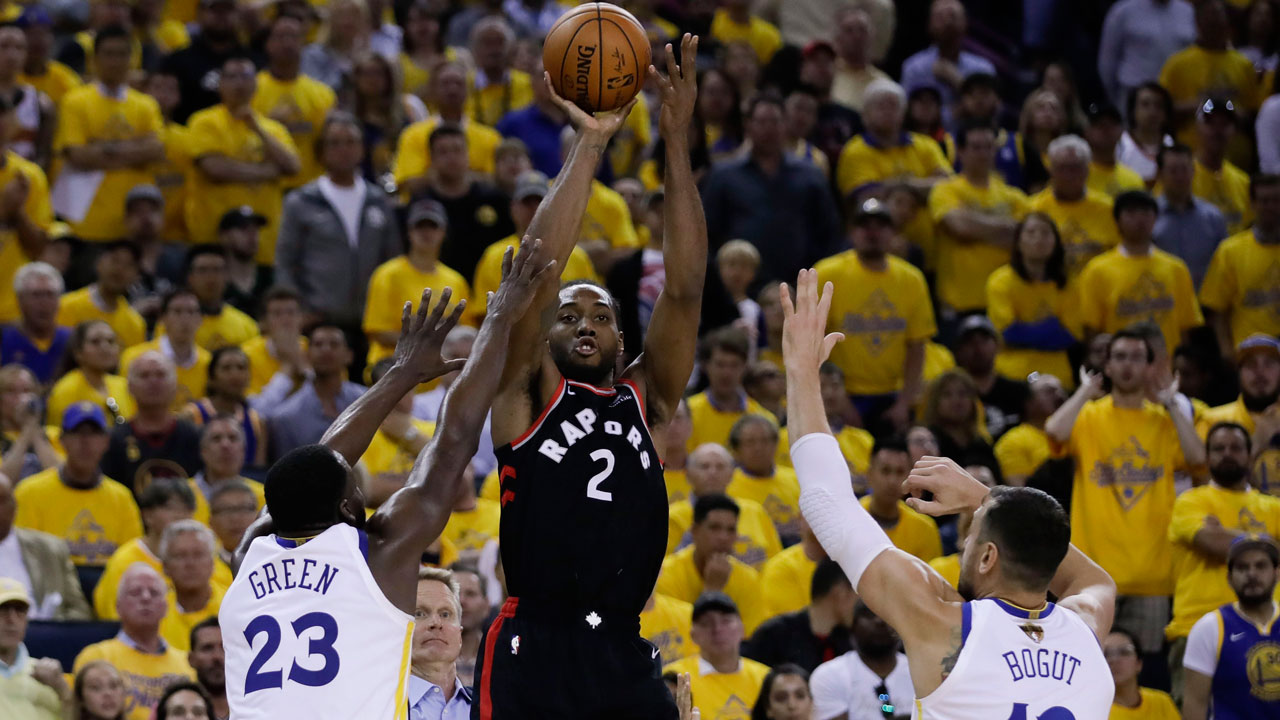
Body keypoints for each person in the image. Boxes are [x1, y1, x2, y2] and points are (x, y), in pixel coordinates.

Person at [220, 235, 551, 718]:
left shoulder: (248, 555)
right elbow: (453, 440)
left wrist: (399, 375)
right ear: (348, 509)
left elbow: (312, 465)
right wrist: (498, 320)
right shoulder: (376, 556)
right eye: (358, 488)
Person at [471, 38, 702, 719]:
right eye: (569, 314)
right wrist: (592, 144)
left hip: (623, 650)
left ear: (621, 339)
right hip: (534, 644)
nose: (583, 322)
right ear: (544, 335)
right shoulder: (524, 395)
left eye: (599, 314)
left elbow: (686, 290)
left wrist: (678, 141)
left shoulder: (648, 400)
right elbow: (540, 265)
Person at [781, 267, 1116, 718]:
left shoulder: (942, 624)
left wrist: (802, 372)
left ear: (987, 557)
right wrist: (986, 500)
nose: (963, 543)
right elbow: (1092, 578)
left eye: (971, 533)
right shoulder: (1087, 628)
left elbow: (826, 502)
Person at [1044, 329, 1204, 667]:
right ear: (1108, 366)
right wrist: (1085, 392)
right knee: (1085, 668)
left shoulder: (1163, 420)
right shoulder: (1088, 415)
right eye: (1119, 357)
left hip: (1152, 577)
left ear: (1149, 366)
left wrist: (1172, 402)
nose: (1127, 365)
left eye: (1136, 357)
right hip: (1093, 575)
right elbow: (1055, 432)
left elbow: (1197, 458)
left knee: (1142, 674)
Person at [1165, 421, 1280, 695]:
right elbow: (1212, 543)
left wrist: (1224, 532)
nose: (1227, 453)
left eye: (1236, 447)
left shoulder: (1274, 506)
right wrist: (1268, 541)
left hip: (1267, 630)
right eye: (1219, 448)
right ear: (1207, 457)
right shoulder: (1190, 501)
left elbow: (1223, 542)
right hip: (1195, 626)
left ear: (1250, 454)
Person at [274, 112, 403, 353]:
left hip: (372, 324)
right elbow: (285, 262)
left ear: (362, 149)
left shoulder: (379, 201)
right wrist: (298, 311)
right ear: (321, 151)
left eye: (351, 142)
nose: (343, 149)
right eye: (334, 143)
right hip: (319, 321)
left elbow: (393, 260)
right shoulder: (301, 201)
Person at [815, 199, 933, 434]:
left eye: (880, 226)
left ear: (893, 232)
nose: (872, 233)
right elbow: (813, 343)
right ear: (851, 231)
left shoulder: (911, 279)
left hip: (893, 395)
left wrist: (904, 402)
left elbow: (917, 346)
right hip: (842, 394)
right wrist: (838, 400)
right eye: (865, 225)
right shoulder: (827, 274)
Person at [54, 26, 164, 245]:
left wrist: (103, 147)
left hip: (135, 225)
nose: (116, 61)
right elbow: (78, 155)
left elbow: (157, 150)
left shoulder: (145, 105)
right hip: (87, 222)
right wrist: (136, 148)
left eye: (123, 54)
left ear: (132, 58)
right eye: (109, 54)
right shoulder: (75, 101)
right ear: (95, 58)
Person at [185, 55, 300, 263]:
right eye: (232, 77)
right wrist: (267, 172)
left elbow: (292, 166)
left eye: (246, 77)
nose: (239, 83)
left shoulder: (272, 128)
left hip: (266, 244)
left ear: (256, 84)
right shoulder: (204, 121)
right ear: (220, 84)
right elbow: (214, 169)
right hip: (214, 238)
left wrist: (257, 128)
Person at [13, 403, 141, 566]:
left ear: (106, 441)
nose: (85, 442)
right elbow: (24, 559)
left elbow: (132, 561)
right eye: (77, 432)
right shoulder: (29, 492)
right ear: (62, 441)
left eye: (94, 433)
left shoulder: (121, 498)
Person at [1077, 191, 1203, 354]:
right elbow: (1092, 329)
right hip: (1121, 367)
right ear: (1117, 220)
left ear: (1156, 218)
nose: (1139, 219)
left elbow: (1186, 327)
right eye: (1131, 212)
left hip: (1166, 365)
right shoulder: (1097, 270)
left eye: (1145, 212)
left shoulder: (1176, 268)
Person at [929, 123, 1030, 319]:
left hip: (1003, 302)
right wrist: (1007, 227)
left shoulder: (1014, 196)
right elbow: (960, 227)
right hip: (958, 304)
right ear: (961, 151)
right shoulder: (945, 189)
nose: (983, 153)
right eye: (976, 147)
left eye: (988, 147)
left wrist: (974, 230)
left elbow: (1024, 238)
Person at [470, 171, 598, 323]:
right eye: (526, 202)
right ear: (513, 208)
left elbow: (592, 306)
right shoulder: (495, 256)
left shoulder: (576, 256)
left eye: (540, 201)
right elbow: (482, 316)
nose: (534, 208)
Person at [74, 564, 194, 720]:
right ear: (118, 607)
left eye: (154, 592)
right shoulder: (96, 655)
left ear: (165, 607)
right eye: (135, 592)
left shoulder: (188, 662)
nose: (145, 598)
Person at [1182, 536, 1280, 719]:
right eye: (1242, 567)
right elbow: (1195, 704)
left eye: (1260, 566)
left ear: (1277, 573)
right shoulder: (1209, 627)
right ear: (1229, 578)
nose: (1252, 574)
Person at [363, 199, 470, 367]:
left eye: (433, 226)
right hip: (394, 368)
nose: (426, 232)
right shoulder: (387, 274)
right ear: (409, 232)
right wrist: (425, 344)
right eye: (420, 226)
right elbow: (377, 330)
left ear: (443, 232)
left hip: (441, 374)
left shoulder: (455, 280)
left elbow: (465, 331)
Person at [985, 213, 1077, 385]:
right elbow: (1007, 334)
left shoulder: (1068, 284)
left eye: (1045, 233)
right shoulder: (1000, 281)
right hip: (1012, 375)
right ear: (1018, 242)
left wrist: (1025, 331)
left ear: (1055, 242)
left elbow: (1070, 335)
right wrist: (1052, 326)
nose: (1038, 239)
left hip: (1059, 376)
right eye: (1031, 232)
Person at [658, 493, 767, 634]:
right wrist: (712, 591)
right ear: (694, 531)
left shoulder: (748, 578)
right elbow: (680, 639)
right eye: (714, 528)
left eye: (731, 530)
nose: (723, 537)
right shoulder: (666, 575)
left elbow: (750, 639)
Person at [1158, 0, 1259, 149]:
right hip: (1191, 154)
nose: (1215, 27)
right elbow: (1161, 110)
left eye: (1218, 21)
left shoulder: (1244, 64)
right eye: (1210, 22)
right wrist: (1196, 105)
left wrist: (1234, 112)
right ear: (1198, 24)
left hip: (1236, 154)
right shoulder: (1176, 64)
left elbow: (1253, 113)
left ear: (1227, 24)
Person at [100, 352, 203, 495]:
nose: (153, 381)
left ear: (175, 385)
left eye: (160, 375)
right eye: (144, 376)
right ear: (129, 387)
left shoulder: (195, 436)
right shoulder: (113, 441)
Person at [252, 15, 336, 189]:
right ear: (268, 44)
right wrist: (271, 124)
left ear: (303, 44)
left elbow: (328, 147)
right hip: (267, 186)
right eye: (281, 36)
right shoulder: (251, 89)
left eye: (294, 37)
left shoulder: (324, 94)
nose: (287, 43)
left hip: (311, 186)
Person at [1199, 174, 1280, 352]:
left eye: (1276, 200)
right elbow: (1217, 312)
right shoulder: (1230, 251)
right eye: (1264, 201)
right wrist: (1227, 353)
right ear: (1252, 204)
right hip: (1249, 353)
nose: (1271, 207)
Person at [667, 443, 781, 567]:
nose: (713, 472)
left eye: (720, 467)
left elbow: (776, 563)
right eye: (704, 466)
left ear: (732, 475)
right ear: (688, 475)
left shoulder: (755, 511)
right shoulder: (673, 517)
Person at [836, 78, 951, 200]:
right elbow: (865, 196)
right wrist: (924, 185)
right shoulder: (855, 150)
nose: (887, 111)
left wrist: (904, 184)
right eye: (880, 105)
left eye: (893, 105)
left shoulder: (926, 144)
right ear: (865, 115)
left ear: (903, 113)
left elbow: (949, 185)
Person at [663, 592, 771, 719]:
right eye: (706, 623)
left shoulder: (765, 678)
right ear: (692, 634)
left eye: (726, 621)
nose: (717, 629)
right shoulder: (675, 679)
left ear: (742, 629)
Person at [265, 325, 365, 460]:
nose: (325, 350)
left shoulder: (366, 400)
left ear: (349, 356)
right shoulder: (285, 418)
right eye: (318, 345)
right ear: (307, 356)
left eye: (334, 344)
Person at [0, 471, 91, 619]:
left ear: (14, 507)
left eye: (0, 500)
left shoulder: (50, 550)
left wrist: (50, 631)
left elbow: (79, 611)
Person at [1029, 135, 1122, 276]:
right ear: (1050, 170)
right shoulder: (1033, 208)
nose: (1069, 175)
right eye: (1062, 168)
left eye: (1075, 168)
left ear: (1088, 170)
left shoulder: (1109, 209)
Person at [1197, 335, 1280, 490]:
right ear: (1238, 372)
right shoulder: (1212, 420)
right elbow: (1204, 485)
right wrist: (1257, 443)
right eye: (1251, 364)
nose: (1260, 372)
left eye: (1269, 364)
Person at [743, 559, 854, 672]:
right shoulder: (774, 636)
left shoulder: (853, 639)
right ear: (840, 592)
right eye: (858, 595)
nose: (863, 605)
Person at [395, 62, 502, 180]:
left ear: (468, 91)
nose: (452, 89)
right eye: (445, 84)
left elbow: (496, 181)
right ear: (433, 90)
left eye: (459, 83)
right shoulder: (413, 135)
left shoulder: (490, 138)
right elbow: (408, 182)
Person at [809, 601, 913, 720]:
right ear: (852, 626)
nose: (880, 621)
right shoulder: (829, 675)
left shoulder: (924, 673)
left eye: (887, 615)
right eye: (870, 615)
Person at [899, 0, 996, 117]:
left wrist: (958, 82)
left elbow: (991, 112)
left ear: (965, 22)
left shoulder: (983, 68)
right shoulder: (914, 67)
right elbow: (909, 116)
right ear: (929, 24)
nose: (947, 22)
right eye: (940, 17)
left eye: (953, 16)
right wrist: (959, 111)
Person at [687, 328, 778, 451]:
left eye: (734, 365)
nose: (726, 373)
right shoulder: (688, 415)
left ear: (745, 367)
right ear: (705, 365)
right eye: (720, 364)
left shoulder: (765, 420)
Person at [121, 289, 210, 413]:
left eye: (191, 312)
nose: (185, 319)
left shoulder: (209, 362)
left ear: (201, 319)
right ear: (163, 318)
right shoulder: (135, 357)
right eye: (177, 312)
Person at [1152, 144, 1227, 289]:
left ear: (1193, 171)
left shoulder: (1213, 216)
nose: (1180, 177)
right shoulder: (1149, 216)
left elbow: (1224, 265)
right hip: (1163, 302)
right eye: (1173, 171)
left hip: (1205, 301)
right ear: (1160, 174)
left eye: (1185, 170)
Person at [1098, 0, 1194, 112]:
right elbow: (1108, 62)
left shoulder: (1188, 12)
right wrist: (1115, 98)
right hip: (1133, 97)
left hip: (1177, 100)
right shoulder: (1123, 11)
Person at [861, 436, 943, 562]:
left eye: (900, 472)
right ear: (869, 474)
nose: (892, 481)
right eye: (885, 471)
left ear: (910, 476)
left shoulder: (925, 529)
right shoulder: (848, 519)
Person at [0, 577, 72, 719]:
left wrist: (63, 691)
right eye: (2, 610)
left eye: (20, 610)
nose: (12, 619)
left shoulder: (51, 678)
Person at [184, 351, 268, 471]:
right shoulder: (191, 415)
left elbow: (258, 471)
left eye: (241, 368)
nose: (235, 374)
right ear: (211, 378)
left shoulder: (257, 421)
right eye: (226, 368)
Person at [56, 241, 146, 349]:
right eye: (115, 260)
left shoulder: (135, 325)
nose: (119, 269)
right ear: (98, 262)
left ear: (137, 277)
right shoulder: (65, 305)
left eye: (129, 264)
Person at [407, 567, 471, 719]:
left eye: (445, 614)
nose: (436, 622)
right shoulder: (380, 704)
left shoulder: (489, 707)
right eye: (419, 613)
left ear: (460, 635)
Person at [727, 414, 801, 544]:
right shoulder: (728, 486)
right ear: (736, 450)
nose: (758, 448)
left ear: (776, 444)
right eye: (750, 442)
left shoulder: (796, 480)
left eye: (765, 441)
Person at [45, 320, 133, 428]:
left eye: (111, 341)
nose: (105, 347)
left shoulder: (124, 386)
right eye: (95, 342)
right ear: (78, 352)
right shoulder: (64, 391)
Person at [953, 315, 1030, 439]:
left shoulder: (1018, 391)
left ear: (997, 346)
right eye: (970, 342)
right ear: (959, 351)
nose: (978, 348)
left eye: (984, 340)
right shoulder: (952, 395)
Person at [176, 246, 259, 351]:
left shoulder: (247, 326)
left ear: (228, 276)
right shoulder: (173, 325)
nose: (211, 278)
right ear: (190, 277)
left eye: (217, 270)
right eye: (202, 270)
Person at [157, 520, 222, 651]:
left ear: (212, 563)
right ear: (165, 566)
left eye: (198, 555)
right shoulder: (155, 614)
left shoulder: (231, 605)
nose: (190, 564)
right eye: (180, 556)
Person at [1190, 98, 1251, 235]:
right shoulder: (1180, 176)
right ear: (1197, 128)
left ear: (1234, 131)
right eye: (1210, 123)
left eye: (1224, 124)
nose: (1217, 131)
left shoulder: (1243, 182)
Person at [994, 373, 1067, 487]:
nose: (1059, 395)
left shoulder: (1077, 431)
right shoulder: (1013, 440)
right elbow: (1021, 493)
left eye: (1061, 390)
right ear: (1029, 403)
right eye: (1049, 391)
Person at [2, 263, 68, 384]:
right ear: (19, 300)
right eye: (36, 295)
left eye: (50, 294)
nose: (44, 302)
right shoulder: (3, 337)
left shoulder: (73, 340)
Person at [1104, 627, 1180, 719]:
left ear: (1139, 663)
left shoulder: (1161, 701)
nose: (1114, 660)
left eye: (1124, 652)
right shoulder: (1094, 708)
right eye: (1106, 654)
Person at [1118, 82, 1176, 185]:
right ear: (1132, 110)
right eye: (1145, 104)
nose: (1152, 112)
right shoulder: (1120, 144)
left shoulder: (1171, 143)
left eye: (1158, 106)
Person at [1084, 104, 1145, 198]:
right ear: (1087, 131)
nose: (1106, 129)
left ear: (1121, 131)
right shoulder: (1078, 176)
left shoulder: (1134, 180)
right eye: (1099, 124)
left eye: (1112, 124)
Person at [186, 619, 226, 720]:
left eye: (225, 648)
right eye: (207, 648)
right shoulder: (172, 707)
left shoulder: (257, 705)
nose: (217, 657)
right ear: (191, 659)